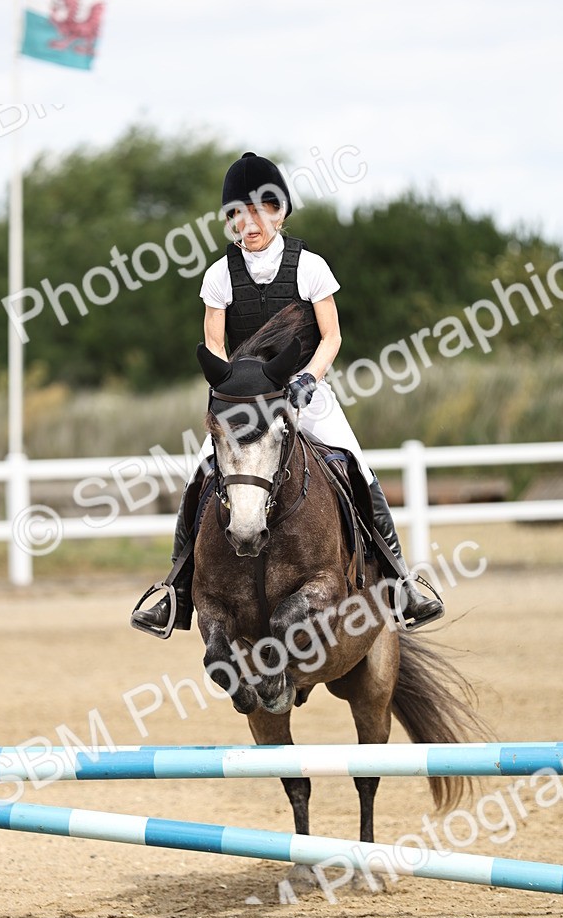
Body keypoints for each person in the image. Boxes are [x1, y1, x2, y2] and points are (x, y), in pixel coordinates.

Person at [131, 151, 443, 638]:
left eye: (256, 211)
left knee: (358, 469)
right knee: (200, 478)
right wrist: (229, 382)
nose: (245, 222)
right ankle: (175, 592)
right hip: (245, 399)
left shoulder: (309, 266)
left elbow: (332, 337)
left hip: (304, 393)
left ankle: (401, 581)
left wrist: (308, 379)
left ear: (278, 212)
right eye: (236, 213)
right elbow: (214, 342)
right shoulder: (219, 274)